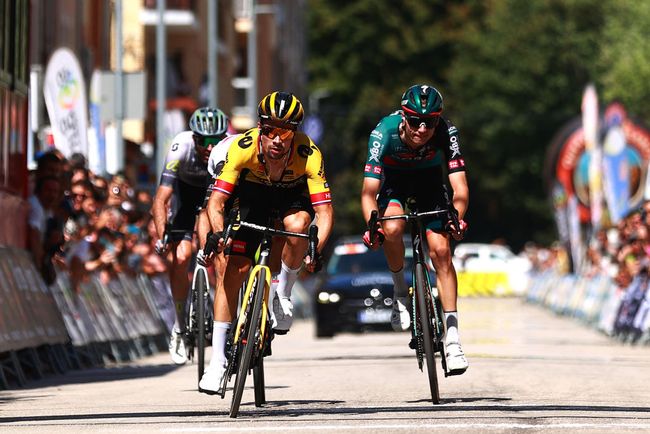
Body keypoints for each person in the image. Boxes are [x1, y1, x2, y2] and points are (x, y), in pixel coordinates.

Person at [199, 91, 334, 393]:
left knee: (298, 225)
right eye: (269, 130)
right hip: (252, 197)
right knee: (233, 271)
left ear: (294, 132)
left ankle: (282, 293)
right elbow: (217, 202)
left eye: (284, 131)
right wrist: (219, 234)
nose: (276, 139)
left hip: (291, 197)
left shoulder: (308, 154)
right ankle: (217, 361)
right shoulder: (241, 148)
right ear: (260, 127)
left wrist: (316, 249)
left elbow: (324, 213)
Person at [360, 84, 470, 375]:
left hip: (431, 185)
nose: (422, 128)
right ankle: (399, 293)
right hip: (395, 183)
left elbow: (459, 187)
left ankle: (453, 339)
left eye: (430, 121)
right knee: (392, 229)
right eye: (415, 121)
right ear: (404, 117)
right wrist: (373, 224)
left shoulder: (447, 132)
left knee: (442, 251)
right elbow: (368, 191)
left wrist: (456, 218)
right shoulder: (383, 132)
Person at [151, 106, 230, 365]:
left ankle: (226, 318)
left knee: (222, 254)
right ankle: (179, 325)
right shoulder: (180, 146)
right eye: (205, 141)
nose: (210, 147)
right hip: (185, 195)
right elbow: (161, 198)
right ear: (194, 138)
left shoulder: (230, 148)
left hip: (215, 194)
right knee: (181, 255)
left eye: (215, 141)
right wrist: (162, 234)